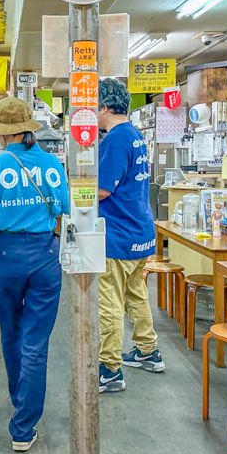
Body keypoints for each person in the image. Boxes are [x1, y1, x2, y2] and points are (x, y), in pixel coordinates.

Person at [0, 98, 68, 452]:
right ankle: (24, 425)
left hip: (6, 256)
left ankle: (21, 402)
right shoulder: (52, 164)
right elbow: (64, 209)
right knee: (36, 340)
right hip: (46, 256)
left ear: (1, 134)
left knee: (10, 334)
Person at [95, 78, 161, 394]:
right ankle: (149, 352)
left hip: (118, 235)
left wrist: (73, 193)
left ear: (104, 107)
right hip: (141, 230)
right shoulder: (135, 134)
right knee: (136, 294)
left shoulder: (115, 140)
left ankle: (109, 370)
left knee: (109, 301)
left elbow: (103, 189)